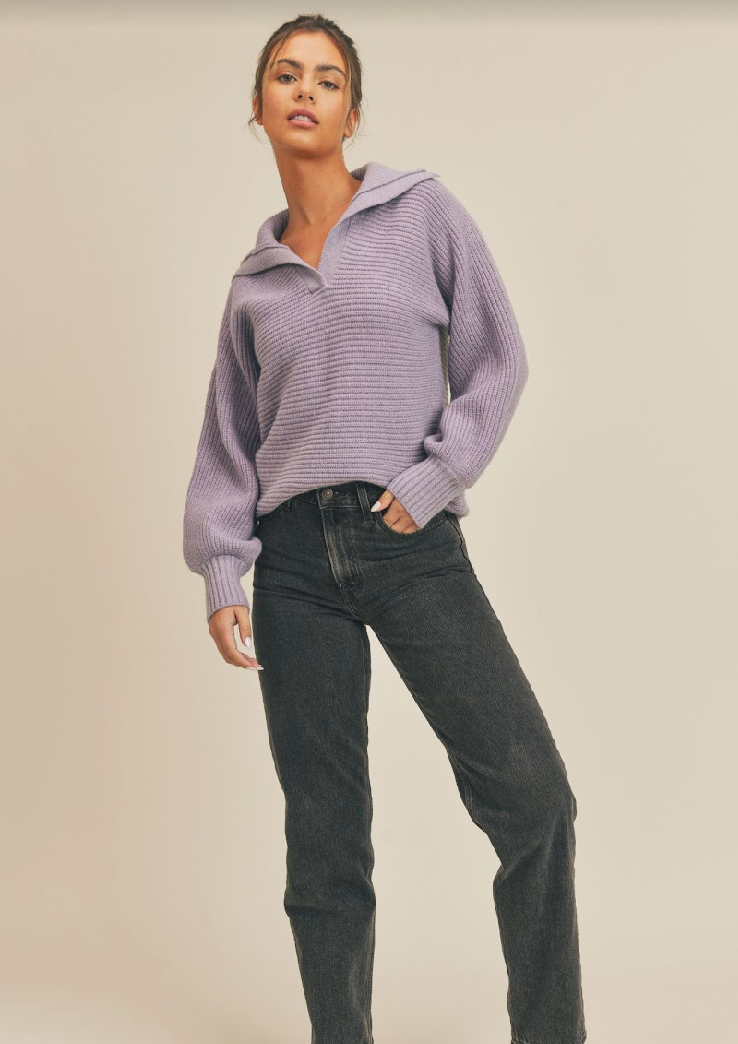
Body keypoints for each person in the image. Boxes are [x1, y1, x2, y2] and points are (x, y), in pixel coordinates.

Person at [183, 13, 586, 1044]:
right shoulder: (254, 283)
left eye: (327, 79)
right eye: (286, 75)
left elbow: (500, 358)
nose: (305, 91)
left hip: (408, 543)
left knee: (534, 800)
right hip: (290, 567)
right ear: (260, 106)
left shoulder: (421, 214)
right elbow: (229, 442)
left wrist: (440, 472)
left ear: (353, 111)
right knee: (325, 843)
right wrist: (223, 569)